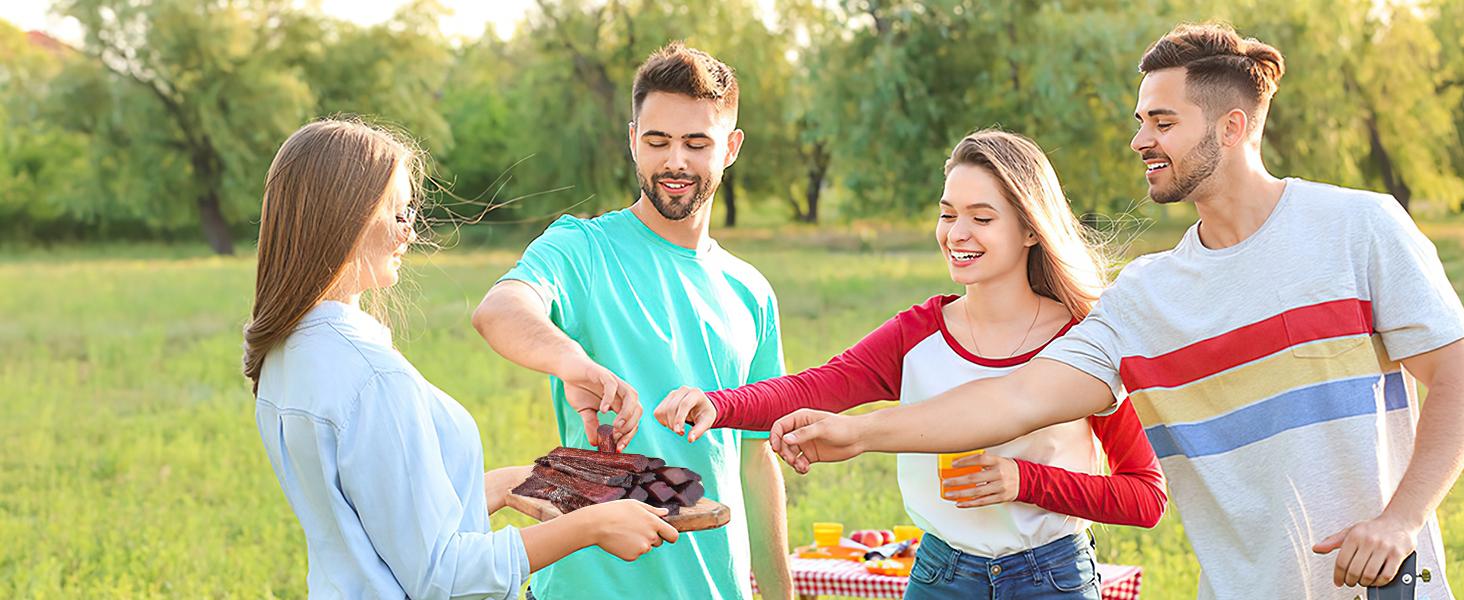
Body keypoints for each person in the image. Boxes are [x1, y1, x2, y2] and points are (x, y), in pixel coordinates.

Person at [766, 23, 1464, 599]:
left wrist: (1401, 518)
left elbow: (1454, 376)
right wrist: (861, 432)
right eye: (1141, 122)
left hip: (1383, 585)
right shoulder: (1146, 297)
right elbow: (1014, 399)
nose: (1140, 140)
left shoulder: (1359, 228)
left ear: (1231, 127)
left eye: (1163, 122)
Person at [656, 130, 1166, 599]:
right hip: (940, 576)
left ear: (1031, 229)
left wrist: (1025, 481)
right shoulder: (919, 333)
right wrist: (718, 405)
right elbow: (818, 386)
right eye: (948, 214)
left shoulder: (1083, 344)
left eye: (982, 218)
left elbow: (1144, 496)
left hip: (1051, 579)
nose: (957, 234)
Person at [246, 118, 677, 599]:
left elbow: (383, 526)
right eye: (398, 213)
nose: (410, 232)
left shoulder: (287, 353)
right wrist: (593, 526)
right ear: (346, 216)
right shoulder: (372, 378)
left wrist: (517, 482)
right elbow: (443, 576)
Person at [471, 44, 793, 600]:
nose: (675, 162)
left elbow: (755, 458)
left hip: (711, 587)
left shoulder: (752, 292)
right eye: (657, 141)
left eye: (697, 143)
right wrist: (575, 364)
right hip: (586, 587)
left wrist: (780, 593)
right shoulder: (581, 247)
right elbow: (499, 310)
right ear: (632, 139)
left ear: (731, 147)